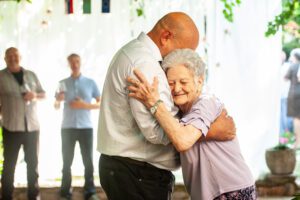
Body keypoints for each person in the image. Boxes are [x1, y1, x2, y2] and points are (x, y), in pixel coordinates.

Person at [98, 12, 236, 200]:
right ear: (166, 37)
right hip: (137, 173)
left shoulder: (134, 53)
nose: (184, 60)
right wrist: (207, 130)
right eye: (183, 52)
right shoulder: (145, 64)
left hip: (132, 171)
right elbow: (156, 131)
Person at [127, 49, 255, 200]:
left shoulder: (205, 103)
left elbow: (182, 141)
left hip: (231, 191)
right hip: (209, 193)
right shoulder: (179, 112)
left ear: (199, 81)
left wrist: (153, 102)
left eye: (183, 82)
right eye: (171, 83)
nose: (177, 89)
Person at [0, 47, 45, 200]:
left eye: (15, 55)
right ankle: (6, 196)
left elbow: (43, 94)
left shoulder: (31, 75)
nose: (13, 58)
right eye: (9, 56)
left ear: (20, 57)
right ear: (5, 59)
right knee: (9, 166)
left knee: (33, 165)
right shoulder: (1, 76)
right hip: (11, 127)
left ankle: (34, 196)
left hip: (32, 128)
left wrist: (35, 95)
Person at [55, 54, 101, 200]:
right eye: (72, 62)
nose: (74, 64)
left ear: (80, 63)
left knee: (88, 161)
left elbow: (101, 103)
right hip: (67, 128)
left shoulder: (90, 82)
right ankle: (65, 193)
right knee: (66, 161)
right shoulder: (62, 83)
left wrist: (84, 105)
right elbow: (55, 106)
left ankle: (90, 192)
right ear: (68, 64)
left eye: (77, 61)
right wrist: (58, 100)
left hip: (86, 127)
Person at [286, 50, 300, 149]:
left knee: (296, 119)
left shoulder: (293, 66)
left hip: (294, 94)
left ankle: (297, 142)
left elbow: (285, 78)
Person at [279, 50, 293, 136]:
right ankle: (284, 131)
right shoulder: (287, 66)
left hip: (285, 94)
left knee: (285, 113)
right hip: (283, 94)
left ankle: (285, 131)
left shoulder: (288, 66)